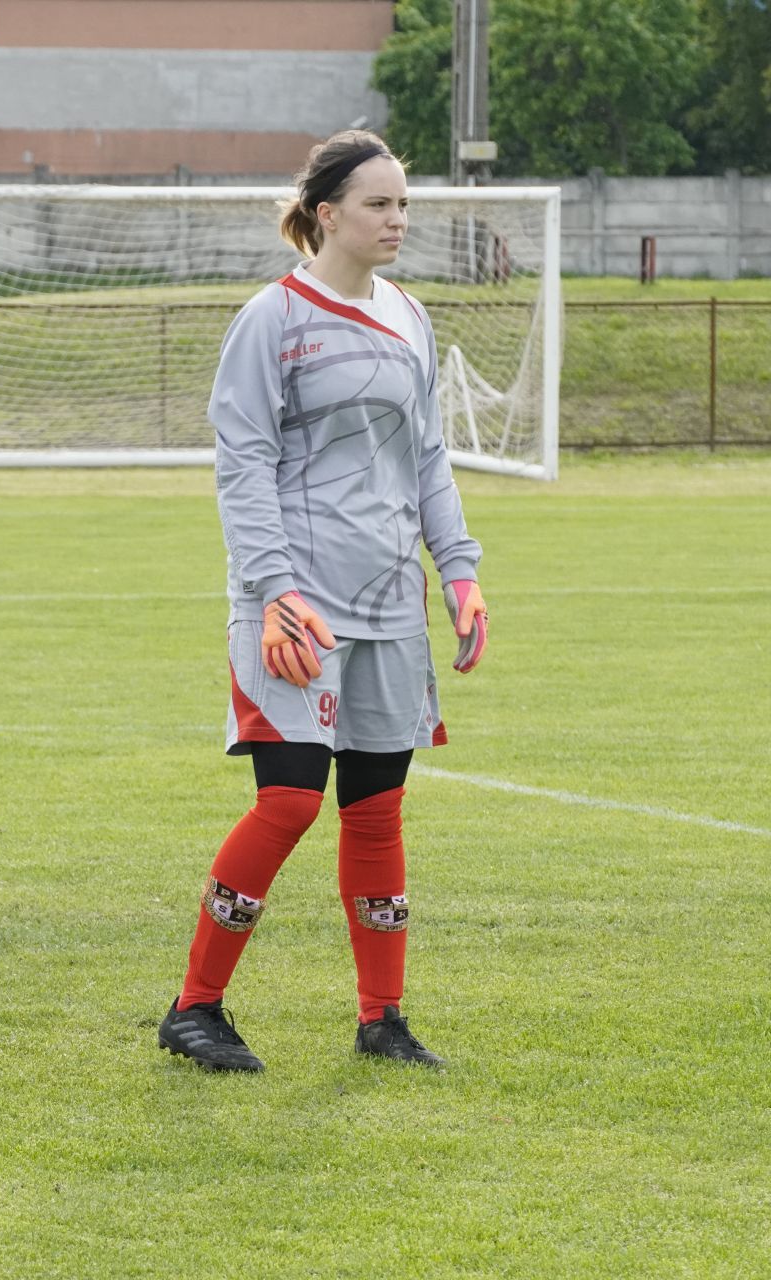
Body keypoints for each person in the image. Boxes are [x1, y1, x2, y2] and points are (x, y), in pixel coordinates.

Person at [156, 131, 488, 1073]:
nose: (398, 220)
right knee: (292, 800)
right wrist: (274, 593)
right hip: (296, 608)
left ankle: (383, 1020)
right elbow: (243, 466)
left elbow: (428, 458)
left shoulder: (411, 317)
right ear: (326, 213)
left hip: (389, 607)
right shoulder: (272, 319)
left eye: (404, 203)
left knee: (376, 811)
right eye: (379, 204)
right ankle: (194, 1009)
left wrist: (459, 571)